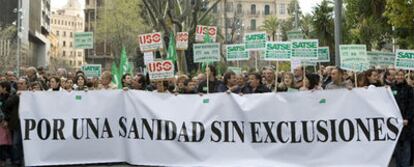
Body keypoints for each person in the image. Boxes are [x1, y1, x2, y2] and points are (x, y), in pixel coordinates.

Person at [391, 70, 414, 167]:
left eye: (401, 75)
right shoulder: (391, 88)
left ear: (404, 76)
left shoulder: (409, 89)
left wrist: (407, 118)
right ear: (395, 76)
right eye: (397, 75)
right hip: (395, 123)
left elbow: (412, 105)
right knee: (397, 148)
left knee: (406, 147)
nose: (399, 77)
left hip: (406, 123)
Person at [0, 81, 23, 166]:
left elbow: (7, 106)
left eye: (22, 83)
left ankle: (17, 160)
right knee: (11, 142)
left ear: (4, 88)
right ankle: (14, 160)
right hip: (11, 123)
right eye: (19, 84)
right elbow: (6, 106)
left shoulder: (13, 95)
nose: (19, 85)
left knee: (15, 142)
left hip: (17, 122)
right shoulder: (11, 95)